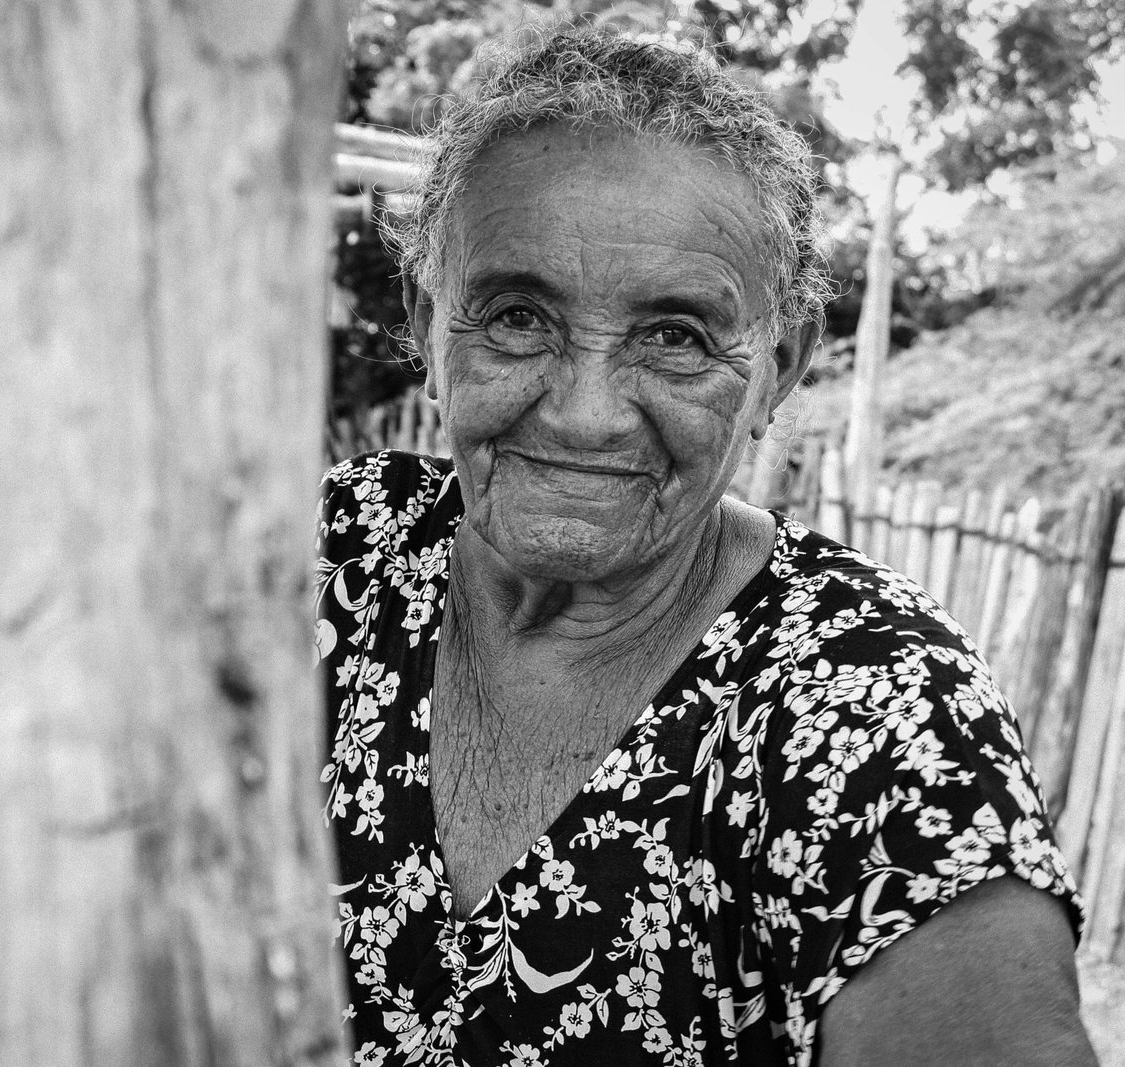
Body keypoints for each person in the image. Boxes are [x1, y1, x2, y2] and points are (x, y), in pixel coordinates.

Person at [314, 25, 1096, 1067]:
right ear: (425, 322)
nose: (585, 414)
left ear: (778, 367)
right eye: (514, 317)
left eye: (675, 336)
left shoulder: (865, 697)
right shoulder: (325, 560)